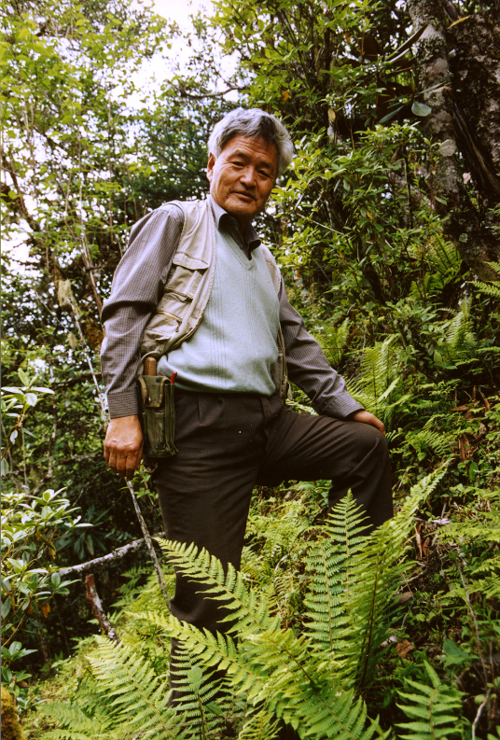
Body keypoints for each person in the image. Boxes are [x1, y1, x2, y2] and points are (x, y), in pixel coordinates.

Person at [101, 107, 392, 706]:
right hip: (197, 429)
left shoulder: (262, 259)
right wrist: (122, 412)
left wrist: (344, 406)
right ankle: (197, 722)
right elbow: (125, 315)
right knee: (209, 600)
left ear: (273, 183)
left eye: (264, 170)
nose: (250, 177)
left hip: (270, 422)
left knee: (366, 448)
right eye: (238, 162)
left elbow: (297, 340)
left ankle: (342, 604)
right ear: (212, 165)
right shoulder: (176, 222)